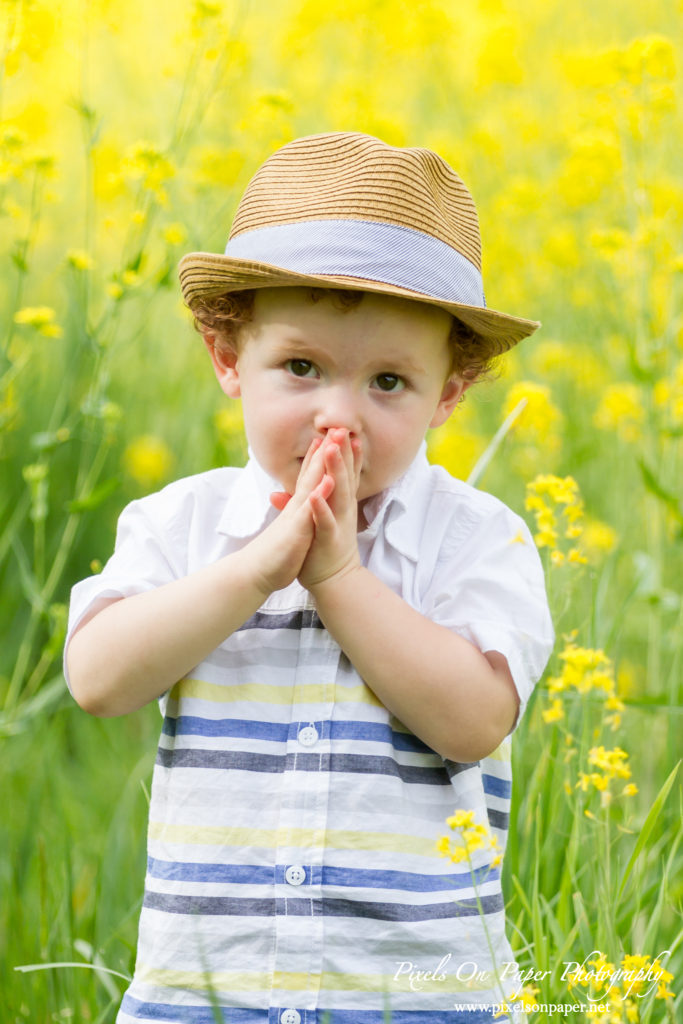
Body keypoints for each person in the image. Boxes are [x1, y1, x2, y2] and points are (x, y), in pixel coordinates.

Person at [65, 131, 554, 1024]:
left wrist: (338, 575)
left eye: (389, 382)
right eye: (301, 368)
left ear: (450, 390)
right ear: (227, 360)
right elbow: (98, 680)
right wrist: (252, 570)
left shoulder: (479, 539)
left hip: (418, 999)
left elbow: (473, 722)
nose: (340, 413)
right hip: (204, 994)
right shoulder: (183, 526)